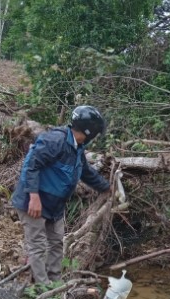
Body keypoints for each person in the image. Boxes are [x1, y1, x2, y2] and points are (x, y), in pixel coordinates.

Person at [11, 105, 110, 284]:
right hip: (34, 202)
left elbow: (86, 172)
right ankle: (42, 288)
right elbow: (31, 166)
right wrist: (33, 197)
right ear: (90, 131)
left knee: (56, 243)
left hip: (54, 206)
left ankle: (55, 283)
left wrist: (107, 188)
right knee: (38, 246)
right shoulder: (55, 141)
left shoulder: (77, 147)